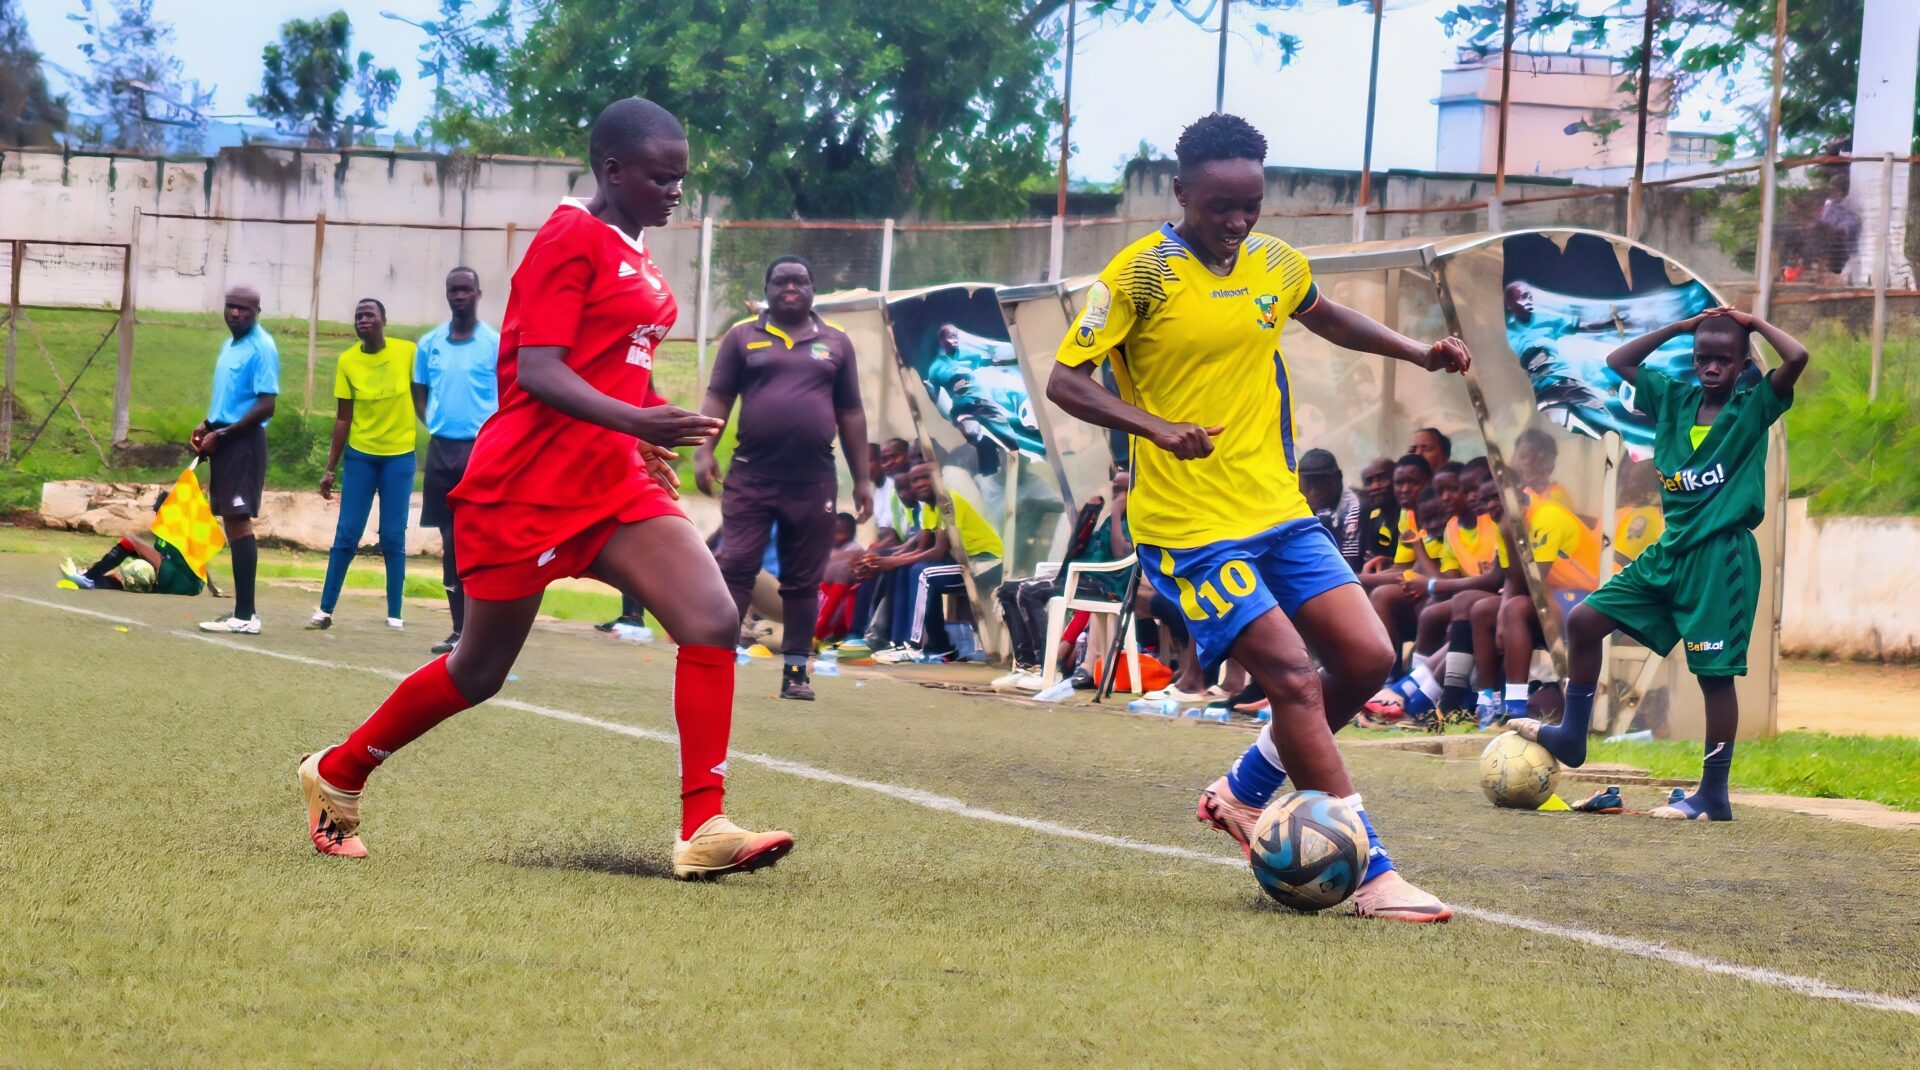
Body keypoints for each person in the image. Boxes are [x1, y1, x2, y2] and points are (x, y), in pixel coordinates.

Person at [297, 97, 793, 879]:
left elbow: (611, 361)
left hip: (614, 486)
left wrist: (638, 433)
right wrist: (639, 423)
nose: (677, 192)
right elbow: (540, 371)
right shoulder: (569, 239)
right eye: (663, 178)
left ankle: (704, 826)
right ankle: (341, 771)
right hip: (526, 488)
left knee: (711, 618)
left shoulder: (634, 247)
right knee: (478, 671)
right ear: (612, 170)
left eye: (682, 179)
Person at [1045, 112, 1468, 922]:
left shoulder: (1273, 261)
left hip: (1275, 507)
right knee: (1293, 679)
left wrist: (1418, 353)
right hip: (1190, 528)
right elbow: (1069, 379)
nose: (1238, 222)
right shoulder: (1138, 277)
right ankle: (1373, 871)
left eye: (1252, 204)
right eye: (1220, 206)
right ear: (1181, 193)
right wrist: (1156, 429)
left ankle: (1243, 793)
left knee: (1368, 656)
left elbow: (1326, 314)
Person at [1512, 308, 1807, 822]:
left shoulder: (1753, 405)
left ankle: (1713, 794)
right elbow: (1617, 358)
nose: (1712, 367)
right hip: (1671, 553)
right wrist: (1679, 327)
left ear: (1741, 365)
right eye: (1703, 358)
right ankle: (1573, 736)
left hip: (1721, 558)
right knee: (1584, 621)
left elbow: (1798, 356)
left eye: (1723, 359)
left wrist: (1754, 323)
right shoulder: (1674, 397)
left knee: (1714, 676)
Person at [698, 254, 870, 701]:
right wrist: (703, 451)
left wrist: (864, 479)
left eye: (799, 281)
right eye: (780, 282)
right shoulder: (742, 338)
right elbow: (719, 396)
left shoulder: (836, 343)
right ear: (767, 290)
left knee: (802, 579)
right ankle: (717, 662)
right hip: (752, 476)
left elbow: (851, 412)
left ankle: (796, 673)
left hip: (813, 481)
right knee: (734, 565)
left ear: (813, 289)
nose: (790, 288)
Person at [310, 298, 419, 633]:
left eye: (369, 314)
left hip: (399, 457)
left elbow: (424, 395)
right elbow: (343, 419)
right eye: (358, 315)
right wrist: (330, 468)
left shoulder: (408, 353)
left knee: (392, 536)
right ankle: (325, 609)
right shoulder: (348, 361)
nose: (363, 319)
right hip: (361, 457)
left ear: (383, 320)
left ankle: (395, 613)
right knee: (347, 534)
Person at [413, 266, 501, 654]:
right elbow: (419, 388)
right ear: (446, 294)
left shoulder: (494, 345)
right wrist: (432, 419)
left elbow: (511, 393)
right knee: (450, 543)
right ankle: (458, 631)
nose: (459, 296)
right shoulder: (429, 343)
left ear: (478, 293)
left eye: (466, 290)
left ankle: (486, 633)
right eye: (453, 290)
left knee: (482, 541)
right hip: (441, 451)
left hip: (481, 452)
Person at [993, 472, 1132, 689]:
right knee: (1008, 590)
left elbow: (1121, 554)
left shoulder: (1134, 520)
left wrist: (1116, 514)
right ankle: (1026, 665)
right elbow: (1077, 549)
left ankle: (1048, 668)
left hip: (1108, 586)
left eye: (1124, 490)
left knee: (1028, 592)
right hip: (1081, 577)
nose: (1118, 496)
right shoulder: (1107, 519)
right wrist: (1089, 514)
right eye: (1116, 490)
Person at [192, 286, 277, 635]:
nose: (235, 314)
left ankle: (244, 616)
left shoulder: (262, 347)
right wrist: (206, 425)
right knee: (230, 521)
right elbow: (229, 399)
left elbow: (266, 404)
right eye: (230, 307)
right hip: (224, 439)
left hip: (243, 443)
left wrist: (223, 435)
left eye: (243, 309)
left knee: (239, 522)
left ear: (257, 311)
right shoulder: (230, 345)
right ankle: (246, 613)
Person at [871, 462, 1003, 664]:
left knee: (924, 575)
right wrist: (891, 561)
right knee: (911, 570)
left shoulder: (948, 501)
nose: (920, 484)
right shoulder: (929, 508)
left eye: (925, 477)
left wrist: (892, 560)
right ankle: (939, 646)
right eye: (915, 480)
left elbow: (938, 552)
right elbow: (921, 549)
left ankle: (913, 646)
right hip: (963, 561)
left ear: (938, 479)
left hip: (984, 561)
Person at [60, 492, 208, 597]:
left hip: (180, 580)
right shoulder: (172, 530)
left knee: (130, 542)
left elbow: (170, 561)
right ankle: (92, 581)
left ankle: (89, 576)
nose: (157, 516)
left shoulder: (179, 531)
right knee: (131, 569)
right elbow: (200, 563)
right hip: (182, 583)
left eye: (159, 512)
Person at [1297, 448, 1362, 571]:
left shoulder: (1353, 508)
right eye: (1309, 485)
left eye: (1321, 484)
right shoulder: (1298, 505)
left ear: (1338, 478)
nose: (1315, 492)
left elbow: (1349, 568)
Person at [815, 513, 864, 645]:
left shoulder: (855, 549)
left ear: (851, 534)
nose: (837, 536)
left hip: (843, 593)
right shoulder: (825, 547)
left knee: (841, 575)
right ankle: (819, 629)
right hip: (825, 592)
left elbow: (848, 570)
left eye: (842, 532)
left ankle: (820, 631)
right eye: (834, 531)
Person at [1357, 456, 1397, 564]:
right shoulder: (1369, 516)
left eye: (1382, 478)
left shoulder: (1409, 514)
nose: (1375, 487)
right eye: (1369, 481)